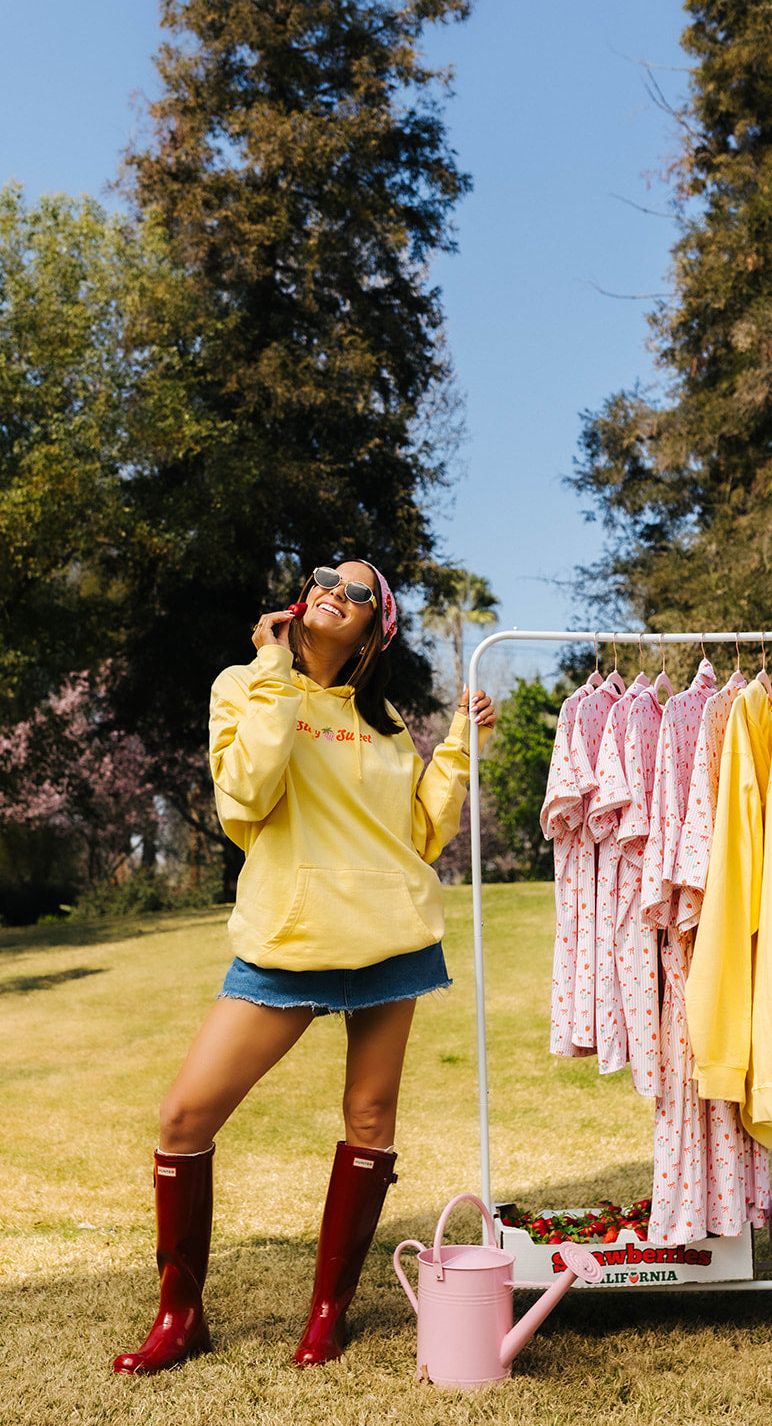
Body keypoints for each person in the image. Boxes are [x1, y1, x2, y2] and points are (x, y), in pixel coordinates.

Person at [113, 559, 495, 1376]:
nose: (334, 589)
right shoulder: (243, 684)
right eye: (326, 575)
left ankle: (329, 1315)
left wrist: (461, 741)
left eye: (358, 591)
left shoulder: (385, 721)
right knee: (184, 1119)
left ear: (373, 628)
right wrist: (274, 671)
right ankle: (180, 1319)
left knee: (370, 1119)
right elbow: (245, 797)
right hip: (288, 939)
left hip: (392, 939)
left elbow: (421, 837)